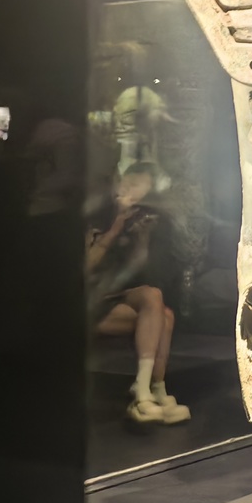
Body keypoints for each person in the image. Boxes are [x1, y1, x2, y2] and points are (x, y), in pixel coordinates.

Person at [86, 163, 189, 423]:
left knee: (163, 312)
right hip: (88, 301)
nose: (127, 189)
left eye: (136, 186)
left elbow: (143, 276)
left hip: (117, 297)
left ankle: (154, 389)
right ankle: (143, 391)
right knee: (154, 302)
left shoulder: (147, 222)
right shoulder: (99, 216)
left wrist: (142, 243)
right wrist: (114, 229)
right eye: (126, 182)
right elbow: (87, 267)